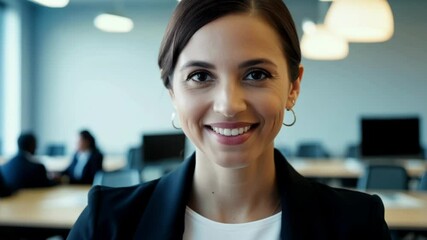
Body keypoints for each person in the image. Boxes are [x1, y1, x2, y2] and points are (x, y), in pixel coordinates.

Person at [68, 0, 391, 239]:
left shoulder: (358, 224)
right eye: (200, 76)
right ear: (172, 93)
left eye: (256, 74)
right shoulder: (106, 224)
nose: (228, 105)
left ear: (293, 87)